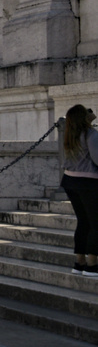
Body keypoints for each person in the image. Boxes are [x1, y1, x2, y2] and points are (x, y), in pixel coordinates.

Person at [61, 104, 98, 274]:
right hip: (88, 183)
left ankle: (79, 263)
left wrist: (88, 118)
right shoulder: (91, 134)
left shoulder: (70, 135)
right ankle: (92, 265)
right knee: (95, 223)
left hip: (70, 181)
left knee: (83, 222)